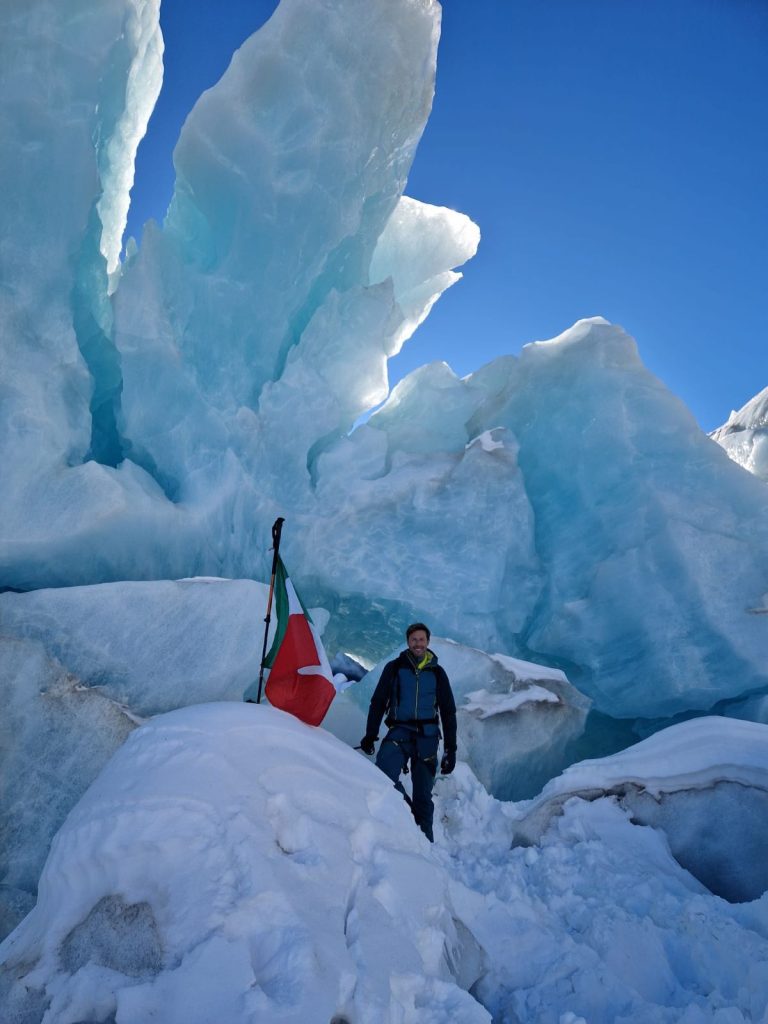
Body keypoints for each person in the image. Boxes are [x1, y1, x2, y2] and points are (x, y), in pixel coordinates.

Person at [359, 623, 457, 842]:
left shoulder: (438, 673)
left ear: (428, 642)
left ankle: (425, 844)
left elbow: (448, 712)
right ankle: (408, 817)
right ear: (408, 642)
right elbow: (378, 702)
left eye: (421, 640)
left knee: (423, 796)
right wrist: (370, 734)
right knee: (383, 776)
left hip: (427, 738)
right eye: (414, 640)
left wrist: (451, 749)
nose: (418, 644)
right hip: (400, 732)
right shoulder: (394, 668)